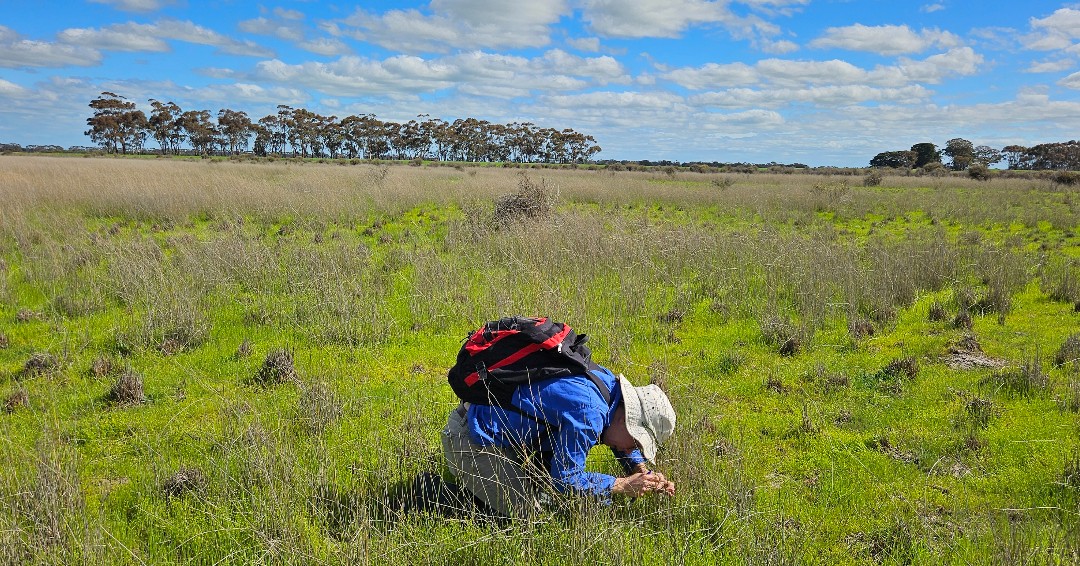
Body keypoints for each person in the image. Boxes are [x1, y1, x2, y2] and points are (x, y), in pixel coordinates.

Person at [441, 365, 676, 518]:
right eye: (636, 442)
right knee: (528, 518)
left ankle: (495, 490)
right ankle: (433, 496)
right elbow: (565, 479)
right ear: (627, 417)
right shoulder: (588, 414)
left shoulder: (607, 386)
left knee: (548, 499)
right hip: (469, 440)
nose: (630, 449)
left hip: (499, 435)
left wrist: (641, 472)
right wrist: (623, 484)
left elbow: (618, 437)